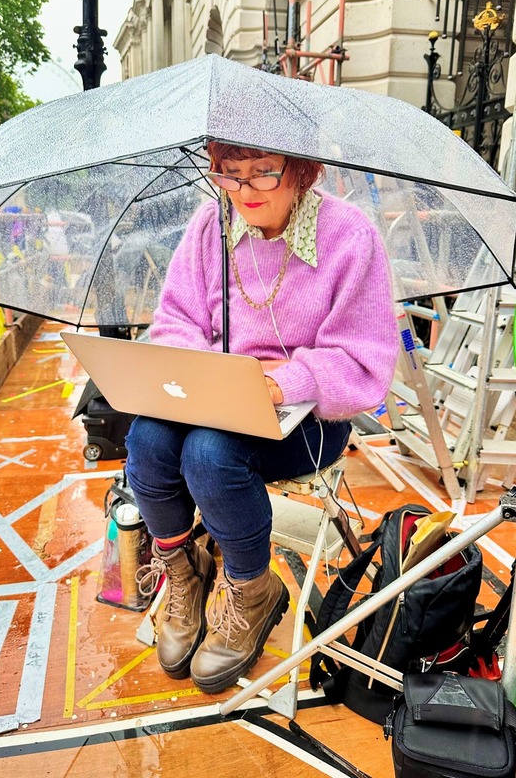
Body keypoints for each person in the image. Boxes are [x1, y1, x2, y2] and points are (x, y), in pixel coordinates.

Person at [125, 144, 400, 694]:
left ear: (303, 171)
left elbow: (362, 360)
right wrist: (205, 371)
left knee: (209, 452)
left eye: (262, 174)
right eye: (228, 174)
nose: (244, 191)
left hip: (313, 416)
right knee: (147, 439)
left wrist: (283, 381)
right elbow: (176, 318)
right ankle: (182, 570)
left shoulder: (349, 234)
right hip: (217, 395)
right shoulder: (212, 225)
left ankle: (252, 589)